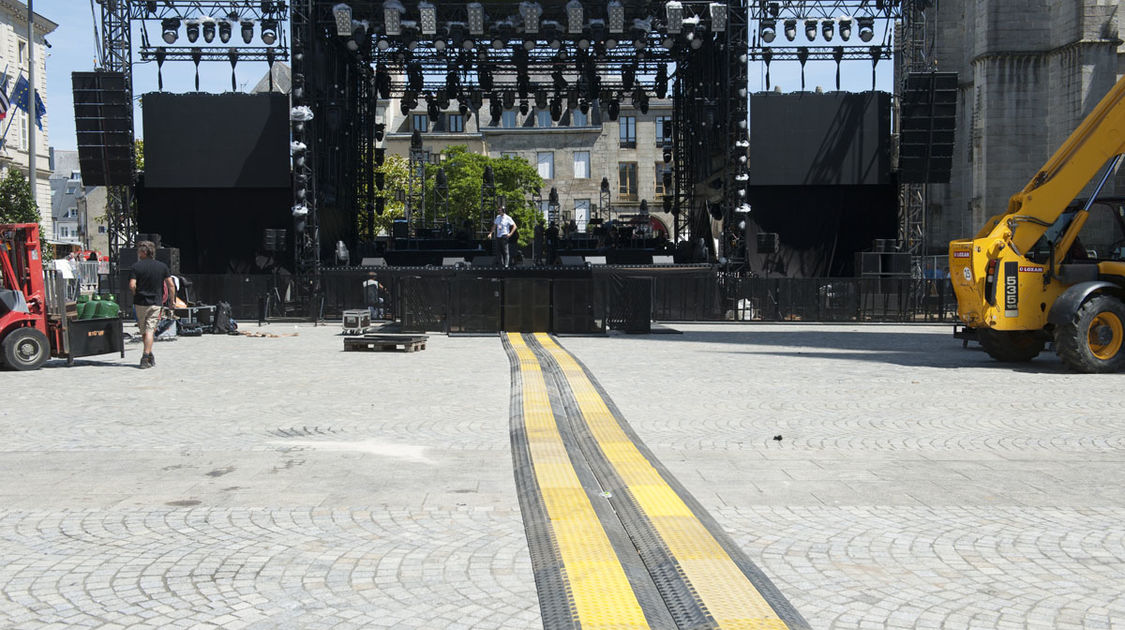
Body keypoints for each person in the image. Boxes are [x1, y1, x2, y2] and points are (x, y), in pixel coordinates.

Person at [129, 240, 175, 369]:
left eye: (139, 251)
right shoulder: (162, 266)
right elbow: (171, 285)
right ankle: (146, 356)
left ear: (144, 252)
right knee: (150, 330)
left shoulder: (136, 267)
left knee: (144, 330)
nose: (138, 253)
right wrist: (172, 301)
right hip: (155, 302)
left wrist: (135, 293)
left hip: (139, 302)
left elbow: (132, 285)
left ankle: (147, 354)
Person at [488, 202, 518, 268]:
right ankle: (501, 264)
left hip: (504, 236)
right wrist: (490, 233)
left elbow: (515, 226)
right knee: (498, 251)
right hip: (498, 236)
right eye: (498, 210)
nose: (498, 211)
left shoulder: (508, 218)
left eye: (500, 210)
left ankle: (506, 265)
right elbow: (494, 226)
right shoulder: (498, 217)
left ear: (503, 211)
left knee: (506, 251)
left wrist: (510, 234)